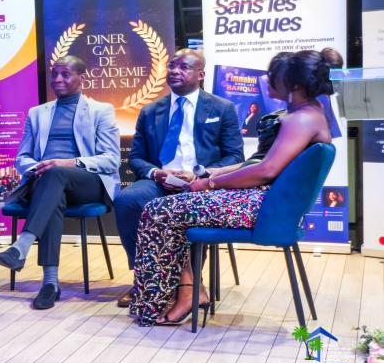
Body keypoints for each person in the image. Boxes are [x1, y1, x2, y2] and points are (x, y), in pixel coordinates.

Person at [128, 49, 335, 326]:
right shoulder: (307, 112)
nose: (268, 79)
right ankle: (186, 290)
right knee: (163, 209)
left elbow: (266, 171)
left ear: (294, 84)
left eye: (274, 75)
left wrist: (210, 183)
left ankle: (163, 300)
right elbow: (259, 163)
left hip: (264, 206)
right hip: (264, 199)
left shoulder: (302, 118)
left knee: (158, 212)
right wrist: (212, 175)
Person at [113, 48, 244, 307]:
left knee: (189, 209)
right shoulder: (150, 110)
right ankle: (143, 278)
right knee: (127, 200)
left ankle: (191, 282)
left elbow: (234, 156)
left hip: (201, 183)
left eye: (184, 67)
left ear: (200, 75)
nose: (174, 71)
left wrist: (200, 174)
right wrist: (157, 172)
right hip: (160, 182)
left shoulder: (222, 108)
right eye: (172, 66)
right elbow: (136, 158)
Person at [0, 55, 120, 309]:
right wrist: (38, 167)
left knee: (56, 174)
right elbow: (22, 158)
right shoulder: (37, 113)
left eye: (65, 74)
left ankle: (22, 245)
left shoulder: (100, 111)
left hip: (87, 182)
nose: (58, 79)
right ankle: (50, 284)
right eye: (54, 74)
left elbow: (111, 160)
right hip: (46, 183)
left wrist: (67, 163)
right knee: (52, 188)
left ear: (81, 78)